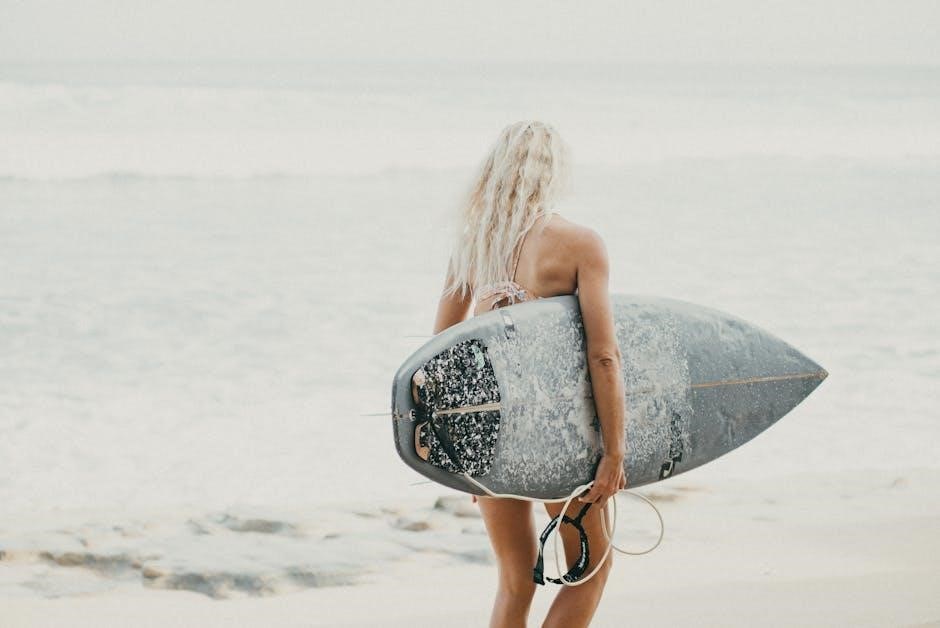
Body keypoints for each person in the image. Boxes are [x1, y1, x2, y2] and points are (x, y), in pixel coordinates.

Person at [429, 120, 627, 628]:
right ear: (555, 172)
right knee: (590, 571)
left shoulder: (473, 245)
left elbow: (440, 354)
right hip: (555, 432)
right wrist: (613, 452)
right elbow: (603, 356)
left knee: (515, 582)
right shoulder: (581, 244)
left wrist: (460, 453)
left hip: (490, 436)